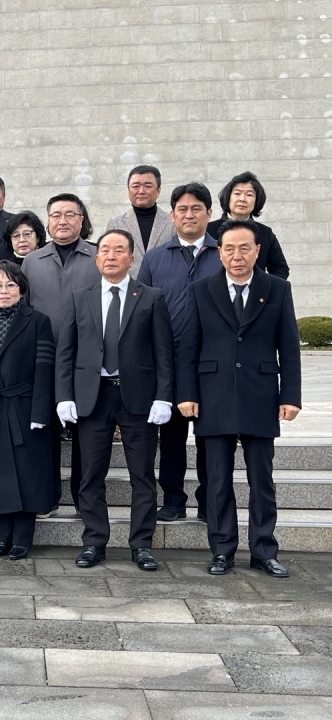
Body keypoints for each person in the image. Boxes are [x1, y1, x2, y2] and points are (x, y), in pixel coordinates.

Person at [177, 219, 301, 578]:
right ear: (219, 252)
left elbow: (289, 346)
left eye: (244, 248)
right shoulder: (202, 289)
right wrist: (186, 394)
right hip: (212, 395)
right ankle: (222, 550)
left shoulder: (276, 288)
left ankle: (264, 550)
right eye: (229, 248)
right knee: (216, 481)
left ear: (257, 250)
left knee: (262, 480)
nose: (237, 255)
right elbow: (189, 345)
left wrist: (290, 395)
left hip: (261, 395)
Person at [55, 229, 175, 570]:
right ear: (96, 258)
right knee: (91, 474)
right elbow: (66, 351)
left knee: (142, 475)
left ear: (131, 257)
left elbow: (164, 353)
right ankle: (94, 541)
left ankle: (141, 544)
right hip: (93, 398)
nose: (110, 255)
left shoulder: (151, 297)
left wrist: (163, 397)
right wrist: (64, 395)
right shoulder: (81, 297)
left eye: (118, 250)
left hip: (137, 398)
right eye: (104, 250)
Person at [137, 182, 222, 523]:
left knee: (210, 437)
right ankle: (172, 499)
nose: (189, 215)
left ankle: (209, 502)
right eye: (182, 210)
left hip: (212, 363)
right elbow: (140, 309)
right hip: (166, 362)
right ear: (172, 215)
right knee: (171, 437)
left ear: (209, 214)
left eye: (196, 209)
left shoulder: (222, 255)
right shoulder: (156, 259)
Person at [22, 194, 100, 515]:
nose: (63, 221)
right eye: (56, 215)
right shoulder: (32, 261)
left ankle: (84, 499)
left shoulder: (97, 257)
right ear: (48, 221)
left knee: (85, 433)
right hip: (44, 360)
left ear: (82, 220)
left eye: (71, 214)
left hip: (86, 361)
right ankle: (48, 497)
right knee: (46, 433)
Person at [0, 261, 55, 559]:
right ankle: (2, 537)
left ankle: (22, 538)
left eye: (10, 285)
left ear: (21, 289)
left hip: (25, 408)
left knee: (27, 474)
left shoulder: (38, 321)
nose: (4, 290)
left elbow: (44, 370)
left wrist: (40, 413)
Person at [207, 171, 290, 279]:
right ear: (228, 197)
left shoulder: (265, 233)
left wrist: (267, 290)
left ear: (257, 200)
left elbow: (280, 268)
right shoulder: (208, 230)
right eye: (237, 193)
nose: (242, 199)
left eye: (249, 194)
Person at [105, 165, 175, 275]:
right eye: (136, 186)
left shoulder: (172, 222)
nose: (141, 191)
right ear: (128, 190)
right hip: (128, 287)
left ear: (158, 191)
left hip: (163, 286)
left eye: (147, 186)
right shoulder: (116, 223)